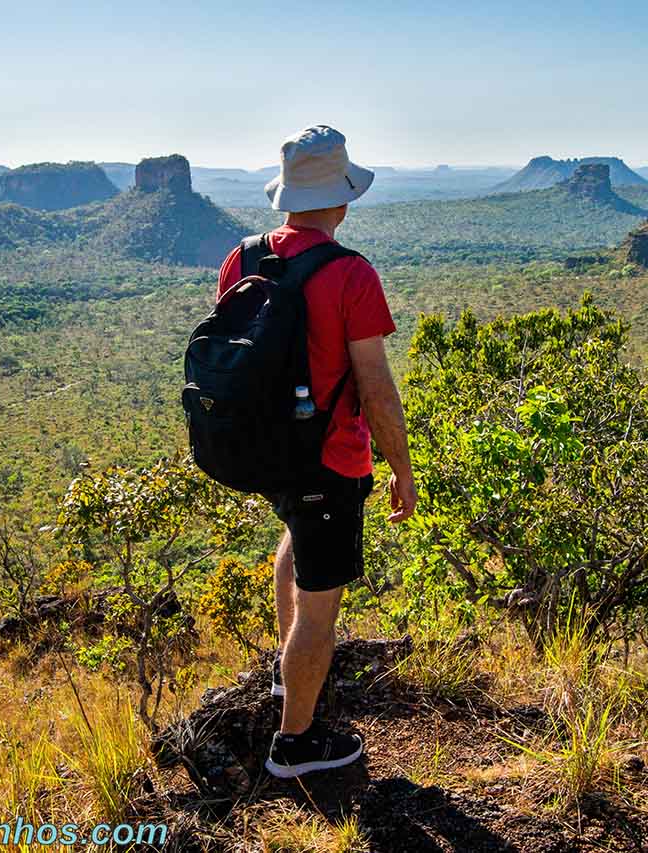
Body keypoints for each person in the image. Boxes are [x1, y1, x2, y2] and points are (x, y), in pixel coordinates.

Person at [214, 126, 417, 778]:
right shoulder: (351, 273)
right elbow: (377, 392)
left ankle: (285, 681)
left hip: (267, 450)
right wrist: (402, 470)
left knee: (293, 549)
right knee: (320, 604)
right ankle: (294, 745)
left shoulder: (241, 258)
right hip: (329, 460)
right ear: (343, 198)